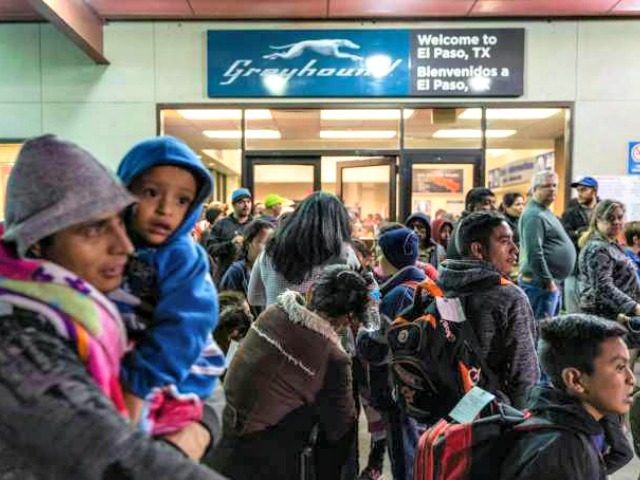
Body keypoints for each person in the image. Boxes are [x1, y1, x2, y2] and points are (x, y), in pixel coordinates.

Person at [0, 134, 223, 478]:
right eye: (94, 229)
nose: (124, 246)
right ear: (37, 243)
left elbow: (201, 360)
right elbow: (114, 456)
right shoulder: (20, 344)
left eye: (119, 221)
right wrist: (184, 441)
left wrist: (201, 423)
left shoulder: (82, 305)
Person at [211, 265, 370, 479]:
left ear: (313, 292)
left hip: (219, 439)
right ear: (348, 317)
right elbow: (340, 429)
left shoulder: (272, 313)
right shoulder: (333, 357)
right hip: (261, 461)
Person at [114, 136, 225, 435]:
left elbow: (184, 326)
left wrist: (137, 386)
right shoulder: (111, 243)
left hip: (174, 374)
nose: (165, 209)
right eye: (151, 192)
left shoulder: (184, 256)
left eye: (182, 200)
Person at [500, 314, 634, 480]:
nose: (631, 379)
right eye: (620, 367)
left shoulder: (570, 430)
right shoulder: (562, 453)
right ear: (575, 380)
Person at [438, 211, 539, 407]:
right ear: (477, 249)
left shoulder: (440, 285)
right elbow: (524, 372)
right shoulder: (509, 297)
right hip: (490, 414)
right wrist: (524, 420)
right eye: (504, 241)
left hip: (443, 410)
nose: (514, 249)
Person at [359, 227, 426, 480]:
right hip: (422, 386)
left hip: (395, 387)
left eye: (380, 252)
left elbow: (372, 349)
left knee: (403, 454)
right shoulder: (426, 282)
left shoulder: (395, 296)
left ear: (390, 256)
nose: (377, 257)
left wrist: (363, 324)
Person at [248, 191, 360, 308]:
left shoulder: (270, 251)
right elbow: (369, 294)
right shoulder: (343, 253)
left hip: (275, 323)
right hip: (321, 325)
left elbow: (253, 298)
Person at [519, 170, 575, 319]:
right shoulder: (533, 215)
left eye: (555, 185)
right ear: (535, 189)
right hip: (540, 284)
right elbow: (534, 252)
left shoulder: (544, 211)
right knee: (540, 331)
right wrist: (548, 281)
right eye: (546, 186)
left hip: (549, 283)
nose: (552, 189)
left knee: (549, 332)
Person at [578, 200, 640, 320]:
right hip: (605, 316)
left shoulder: (611, 243)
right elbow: (603, 287)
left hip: (619, 313)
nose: (616, 222)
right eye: (610, 218)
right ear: (598, 220)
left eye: (620, 217)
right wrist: (634, 307)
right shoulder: (597, 248)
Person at [562, 176, 599, 313]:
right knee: (573, 311)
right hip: (575, 269)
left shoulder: (604, 210)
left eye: (583, 190)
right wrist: (579, 234)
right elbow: (564, 235)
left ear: (594, 190)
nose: (579, 194)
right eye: (578, 190)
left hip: (597, 269)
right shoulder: (570, 213)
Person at [206, 187, 253, 283]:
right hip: (225, 277)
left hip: (250, 278)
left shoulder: (256, 224)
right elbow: (211, 248)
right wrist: (230, 244)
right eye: (241, 202)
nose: (246, 205)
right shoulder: (221, 224)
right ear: (233, 205)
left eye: (248, 202)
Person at [220, 218, 273, 299]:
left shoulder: (272, 271)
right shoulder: (237, 272)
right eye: (264, 243)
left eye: (271, 244)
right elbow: (228, 305)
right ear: (248, 244)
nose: (269, 248)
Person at [447, 187, 496, 259]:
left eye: (494, 203)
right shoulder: (468, 227)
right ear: (471, 207)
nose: (494, 208)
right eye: (487, 203)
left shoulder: (467, 223)